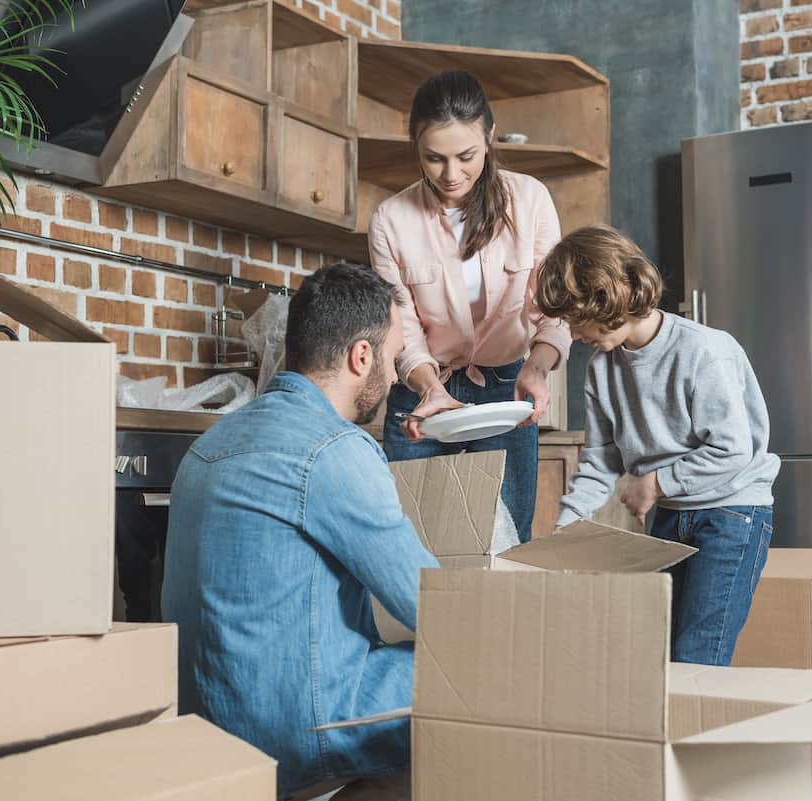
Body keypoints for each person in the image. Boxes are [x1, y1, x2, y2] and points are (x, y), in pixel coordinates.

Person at [161, 263, 438, 799]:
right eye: (393, 356)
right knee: (473, 669)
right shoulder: (335, 450)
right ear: (362, 356)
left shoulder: (210, 442)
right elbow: (431, 603)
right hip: (291, 738)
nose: (394, 376)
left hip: (202, 732)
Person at [534, 225, 781, 666]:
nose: (571, 332)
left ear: (606, 298)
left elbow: (732, 450)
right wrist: (566, 527)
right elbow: (600, 460)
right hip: (670, 517)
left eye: (574, 318)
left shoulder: (702, 350)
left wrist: (656, 484)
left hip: (731, 514)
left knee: (697, 655)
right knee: (659, 655)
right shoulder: (601, 369)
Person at [368, 69, 571, 543]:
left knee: (504, 541)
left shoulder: (530, 200)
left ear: (489, 137)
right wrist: (428, 388)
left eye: (466, 156)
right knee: (412, 540)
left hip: (507, 387)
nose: (450, 174)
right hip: (423, 390)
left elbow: (554, 308)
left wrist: (537, 368)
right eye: (433, 158)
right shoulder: (390, 220)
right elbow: (403, 326)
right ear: (415, 147)